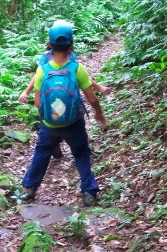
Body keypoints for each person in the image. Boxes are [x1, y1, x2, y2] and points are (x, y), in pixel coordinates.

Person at [21, 21, 107, 206]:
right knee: (81, 153)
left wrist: (54, 112)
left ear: (49, 44)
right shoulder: (77, 68)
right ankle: (89, 192)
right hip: (73, 123)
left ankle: (30, 188)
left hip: (50, 124)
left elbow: (37, 103)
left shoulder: (42, 69)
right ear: (72, 44)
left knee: (42, 152)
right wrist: (99, 114)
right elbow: (92, 99)